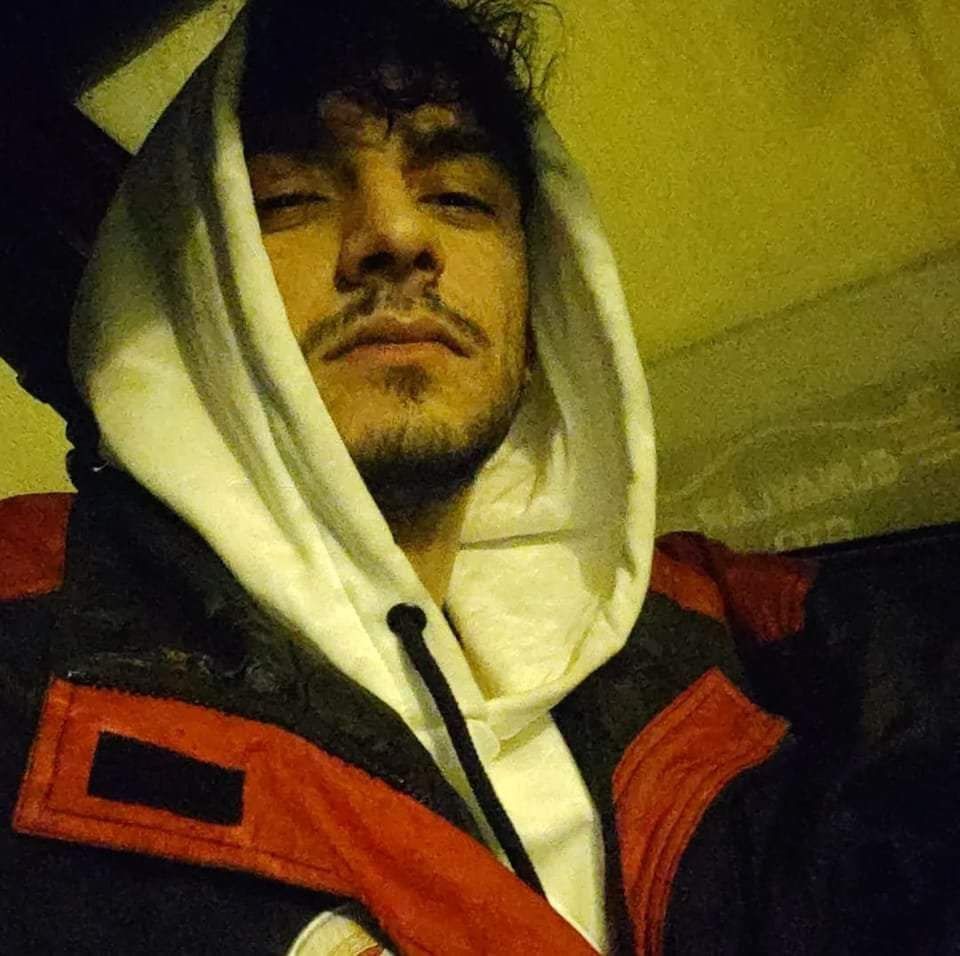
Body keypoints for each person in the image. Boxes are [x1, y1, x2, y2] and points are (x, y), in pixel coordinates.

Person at [1, 0, 957, 952]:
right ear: (185, 292)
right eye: (289, 198)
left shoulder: (709, 614)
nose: (396, 234)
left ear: (543, 303)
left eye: (459, 197)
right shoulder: (29, 641)